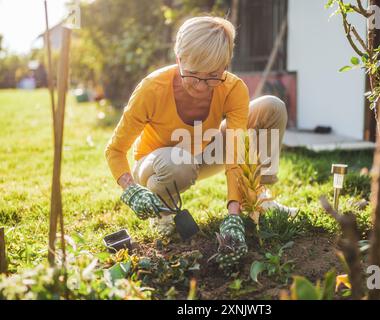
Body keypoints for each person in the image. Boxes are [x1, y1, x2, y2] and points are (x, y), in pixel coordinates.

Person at [105, 16, 296, 271]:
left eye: (212, 77)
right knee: (177, 163)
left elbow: (235, 153)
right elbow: (115, 149)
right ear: (179, 59)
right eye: (193, 75)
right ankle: (164, 213)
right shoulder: (152, 88)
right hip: (156, 164)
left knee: (271, 107)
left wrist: (233, 214)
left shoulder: (231, 88)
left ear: (225, 66)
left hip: (202, 152)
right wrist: (129, 188)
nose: (201, 86)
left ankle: (259, 197)